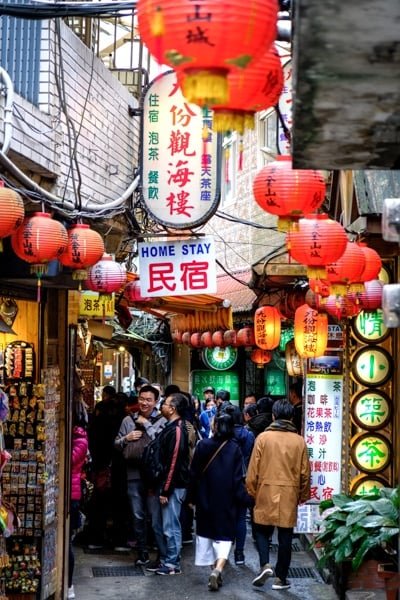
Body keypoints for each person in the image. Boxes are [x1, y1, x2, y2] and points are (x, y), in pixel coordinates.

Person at [246, 399, 311, 591]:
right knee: (285, 536)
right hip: (289, 492)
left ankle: (265, 564)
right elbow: (304, 473)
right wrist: (303, 495)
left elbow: (252, 471)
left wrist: (252, 491)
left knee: (261, 530)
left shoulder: (263, 439)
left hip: (265, 489)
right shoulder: (299, 441)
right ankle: (281, 578)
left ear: (273, 416)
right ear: (291, 417)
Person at [188, 411, 253, 592]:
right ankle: (218, 569)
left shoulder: (203, 445)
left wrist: (191, 498)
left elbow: (193, 474)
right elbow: (237, 478)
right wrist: (246, 499)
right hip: (227, 500)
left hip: (205, 498)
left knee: (207, 536)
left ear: (215, 426)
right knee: (224, 538)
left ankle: (214, 570)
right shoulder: (234, 448)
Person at [114, 384, 166, 565]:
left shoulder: (162, 420)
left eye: (148, 400)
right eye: (141, 399)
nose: (144, 403)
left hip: (153, 477)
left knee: (155, 517)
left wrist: (148, 425)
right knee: (137, 515)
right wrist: (126, 438)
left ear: (156, 402)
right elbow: (116, 444)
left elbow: (162, 445)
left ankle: (162, 553)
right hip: (133, 475)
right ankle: (142, 552)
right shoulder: (128, 421)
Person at [154, 392, 190, 575]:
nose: (163, 406)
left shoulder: (177, 429)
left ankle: (172, 563)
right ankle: (168, 560)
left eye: (165, 403)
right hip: (170, 484)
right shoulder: (172, 427)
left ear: (173, 408)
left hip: (174, 485)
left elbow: (174, 462)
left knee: (171, 525)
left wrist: (166, 490)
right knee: (167, 524)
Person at [86, 385, 123, 549]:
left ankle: (96, 537)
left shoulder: (98, 417)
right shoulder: (122, 419)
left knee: (99, 500)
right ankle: (115, 538)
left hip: (100, 463)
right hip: (115, 466)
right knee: (117, 502)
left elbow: (93, 437)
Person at [222, 404, 255, 565]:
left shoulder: (223, 436)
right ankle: (240, 554)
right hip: (243, 479)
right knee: (240, 518)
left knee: (225, 517)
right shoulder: (248, 435)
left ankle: (224, 552)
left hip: (224, 480)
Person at [68, 422, 89, 599]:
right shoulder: (76, 438)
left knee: (67, 542)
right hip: (70, 492)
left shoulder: (80, 440)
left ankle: (68, 584)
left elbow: (70, 461)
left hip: (72, 493)